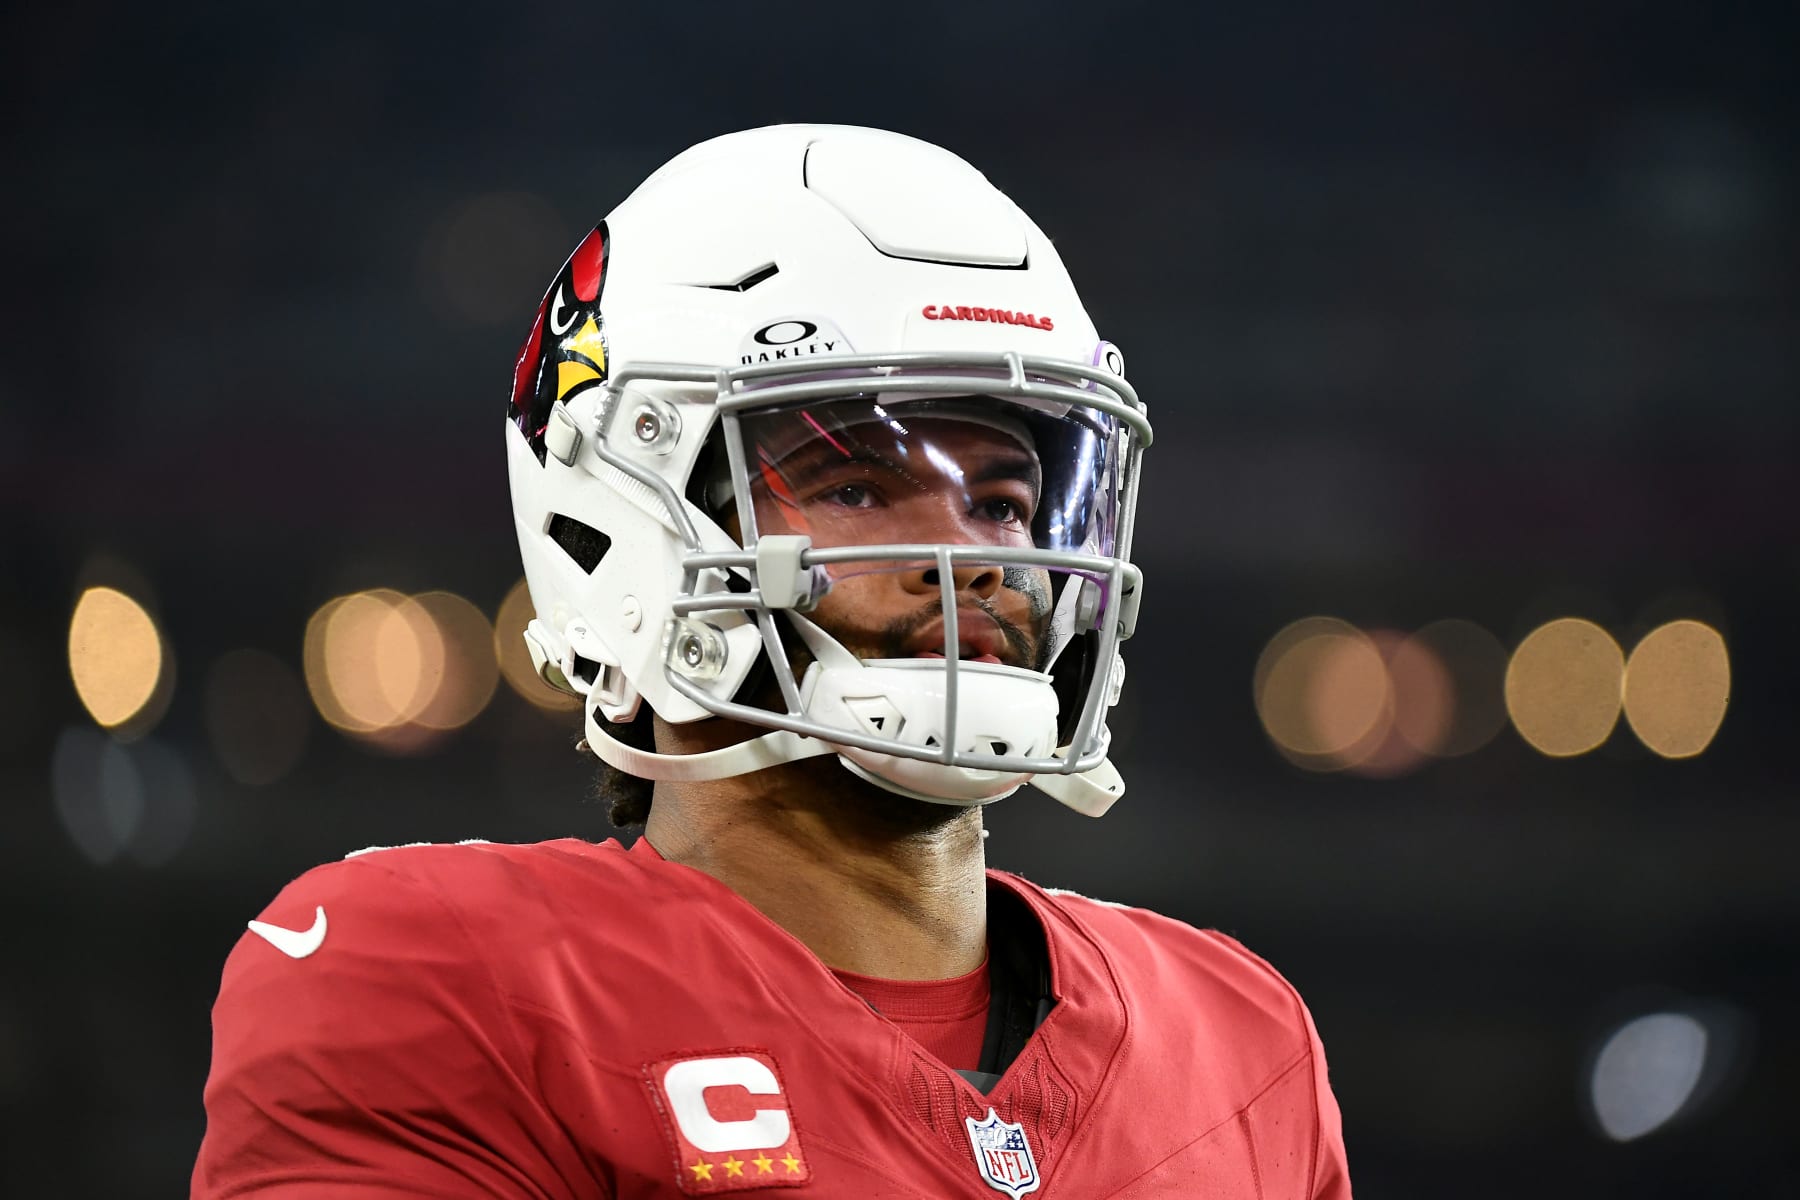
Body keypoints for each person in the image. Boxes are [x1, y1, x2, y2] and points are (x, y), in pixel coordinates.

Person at [193, 125, 1351, 1198]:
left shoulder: (1241, 1038)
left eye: (1002, 502)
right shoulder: (441, 979)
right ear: (628, 532)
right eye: (855, 488)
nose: (969, 559)